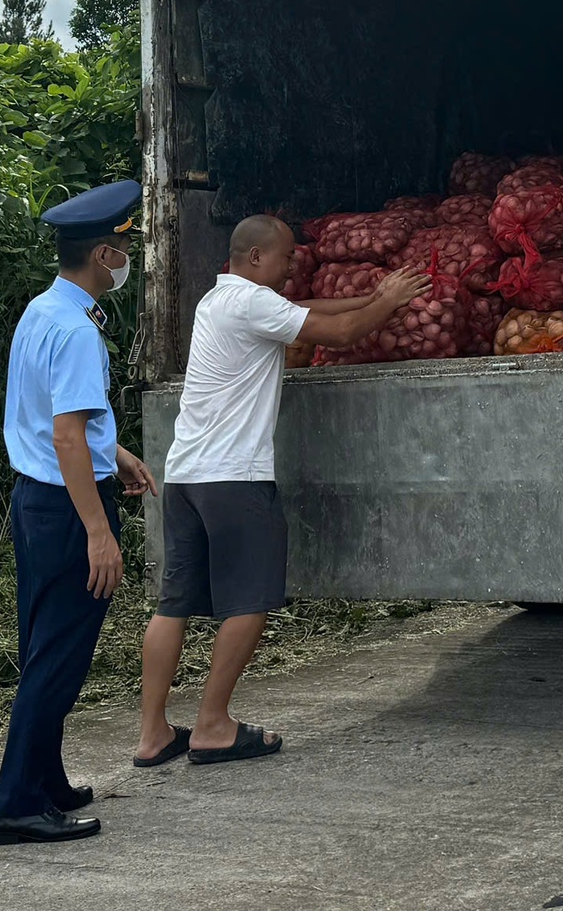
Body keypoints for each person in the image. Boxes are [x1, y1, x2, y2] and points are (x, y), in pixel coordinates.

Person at [135, 214, 429, 769]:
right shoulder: (251, 303)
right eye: (287, 257)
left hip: (186, 477)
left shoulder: (218, 301)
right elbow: (339, 333)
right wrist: (387, 303)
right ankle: (213, 725)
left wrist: (371, 295)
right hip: (234, 479)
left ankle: (153, 734)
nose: (294, 266)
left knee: (173, 604)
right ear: (253, 259)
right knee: (250, 600)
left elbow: (313, 313)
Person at [0, 178, 158, 846]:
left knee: (42, 647)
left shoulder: (45, 311)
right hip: (65, 510)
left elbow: (54, 416)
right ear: (99, 255)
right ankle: (17, 805)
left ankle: (46, 780)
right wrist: (99, 532)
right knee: (58, 659)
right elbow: (63, 434)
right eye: (123, 249)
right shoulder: (79, 331)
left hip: (35, 501)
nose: (127, 261)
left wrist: (111, 450)